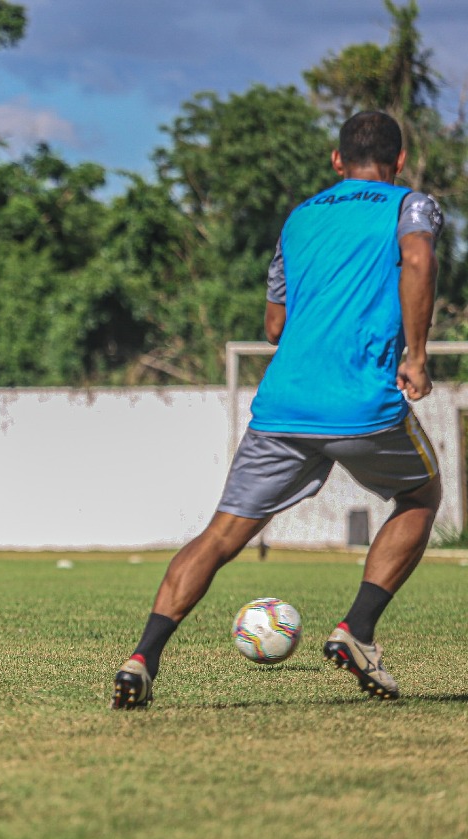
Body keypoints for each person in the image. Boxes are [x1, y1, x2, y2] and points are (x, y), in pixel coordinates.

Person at [111, 111, 444, 709]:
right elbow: (418, 261)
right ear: (399, 161)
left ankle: (143, 657)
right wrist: (415, 355)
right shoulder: (410, 205)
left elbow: (274, 326)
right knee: (421, 496)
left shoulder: (299, 219)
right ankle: (357, 630)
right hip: (362, 402)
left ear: (336, 161)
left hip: (282, 406)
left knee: (219, 536)